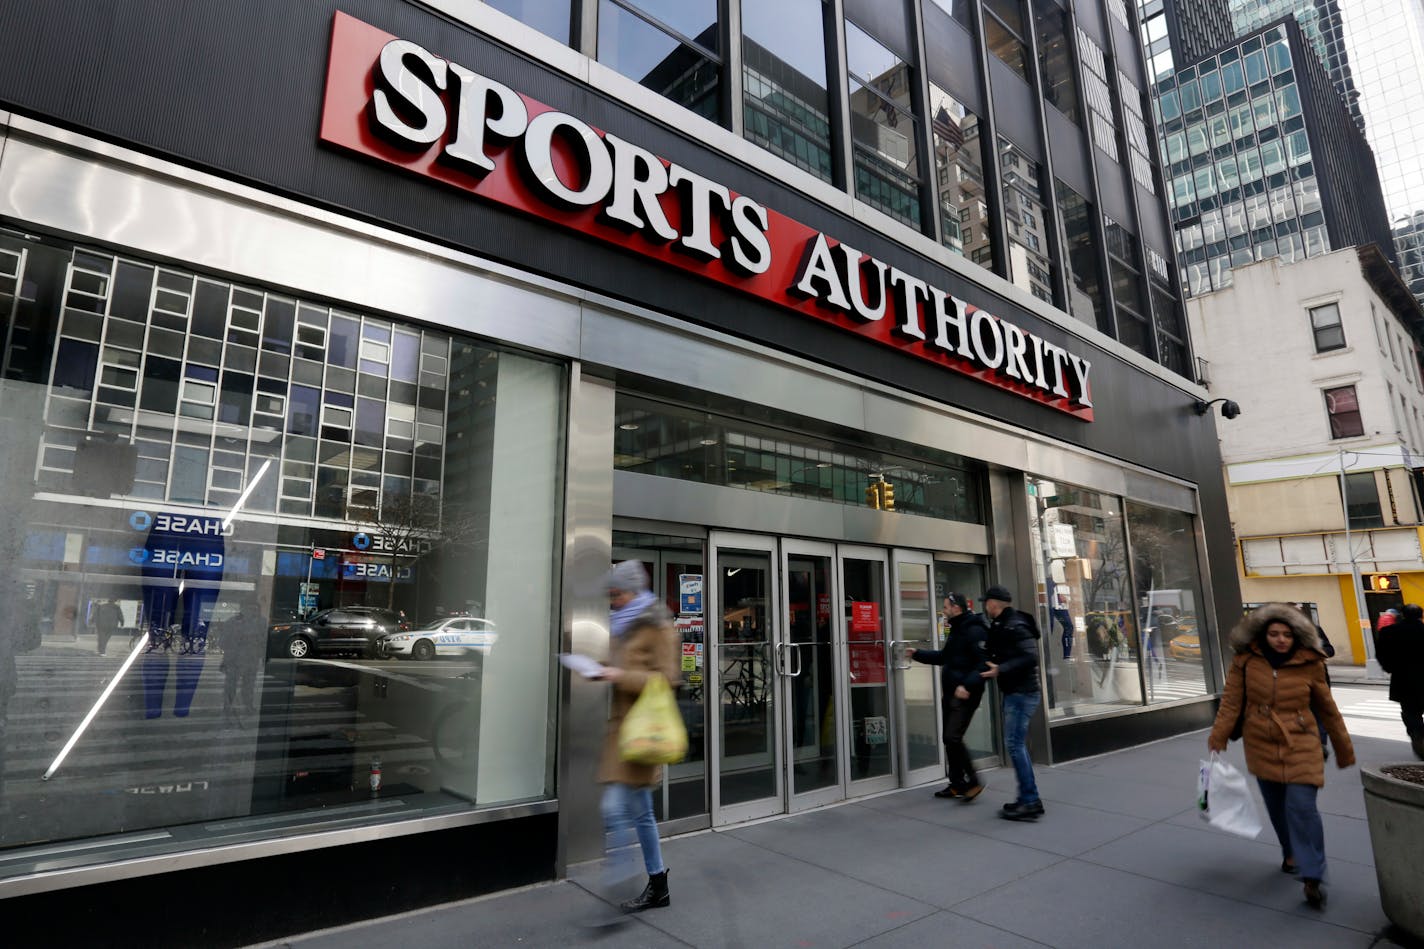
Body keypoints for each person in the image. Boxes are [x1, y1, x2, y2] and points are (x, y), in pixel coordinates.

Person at [1208, 603, 1355, 909]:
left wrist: (1343, 747)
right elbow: (1232, 703)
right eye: (1274, 633)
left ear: (1297, 635)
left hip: (1302, 740)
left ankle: (1312, 874)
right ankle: (1290, 852)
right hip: (1260, 742)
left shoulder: (1311, 662)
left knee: (1302, 807)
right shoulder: (1246, 661)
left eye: (1287, 634)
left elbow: (1327, 708)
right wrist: (1218, 735)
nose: (1280, 639)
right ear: (1262, 634)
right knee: (1277, 807)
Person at [595, 560, 679, 913]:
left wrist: (619, 675)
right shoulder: (622, 626)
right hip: (623, 734)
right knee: (641, 813)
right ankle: (657, 884)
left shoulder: (658, 626)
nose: (613, 600)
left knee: (613, 808)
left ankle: (618, 883)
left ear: (633, 591)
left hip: (644, 732)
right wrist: (601, 671)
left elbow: (666, 680)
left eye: (617, 593)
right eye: (611, 594)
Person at [909, 593, 989, 801]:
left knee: (952, 737)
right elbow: (945, 657)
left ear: (956, 608)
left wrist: (966, 685)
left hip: (965, 694)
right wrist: (917, 653)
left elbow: (983, 663)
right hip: (952, 693)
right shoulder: (957, 629)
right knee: (950, 738)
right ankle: (957, 784)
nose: (943, 611)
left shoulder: (973, 629)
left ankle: (974, 780)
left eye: (945, 607)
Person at [979, 585, 1044, 821]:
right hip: (1016, 691)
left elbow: (1030, 656)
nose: (985, 607)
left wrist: (1001, 669)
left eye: (986, 603)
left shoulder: (1015, 624)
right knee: (1016, 745)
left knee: (1015, 745)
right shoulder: (1003, 624)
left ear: (993, 604)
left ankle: (1030, 801)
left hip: (1022, 693)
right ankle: (1028, 799)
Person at [1377, 602, 1424, 760]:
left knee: (1411, 712)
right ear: (1420, 615)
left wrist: (1390, 668)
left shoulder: (1389, 632)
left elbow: (1382, 655)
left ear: (1402, 615)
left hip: (1404, 680)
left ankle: (1418, 735)